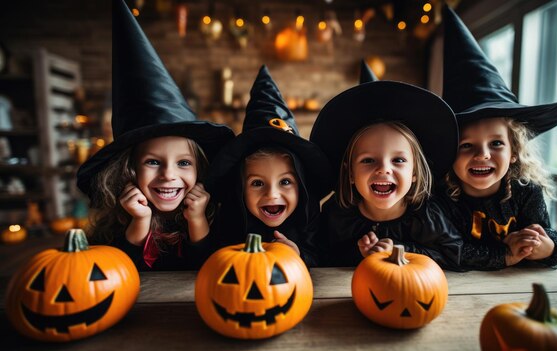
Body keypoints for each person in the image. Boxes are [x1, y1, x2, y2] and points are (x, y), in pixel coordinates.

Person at [75, 0, 234, 271]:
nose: (168, 175)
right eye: (153, 162)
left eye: (184, 163)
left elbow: (212, 271)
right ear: (129, 168)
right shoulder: (115, 222)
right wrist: (139, 222)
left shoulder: (215, 214)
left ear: (200, 169)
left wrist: (197, 220)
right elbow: (114, 274)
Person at [436, 6, 557, 270]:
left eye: (496, 143)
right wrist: (505, 254)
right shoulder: (442, 196)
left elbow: (548, 234)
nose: (482, 154)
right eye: (466, 145)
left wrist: (543, 245)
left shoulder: (526, 192)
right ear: (449, 151)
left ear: (515, 150)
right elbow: (448, 251)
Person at [310, 60, 463, 270]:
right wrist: (359, 253)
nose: (383, 169)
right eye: (368, 160)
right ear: (351, 173)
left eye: (398, 160)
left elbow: (454, 255)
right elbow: (322, 256)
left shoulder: (427, 215)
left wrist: (400, 250)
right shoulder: (337, 213)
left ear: (415, 172)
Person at [206, 65, 332, 267]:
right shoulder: (230, 216)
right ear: (240, 187)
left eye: (285, 181)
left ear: (301, 184)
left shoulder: (309, 214)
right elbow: (214, 257)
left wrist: (299, 256)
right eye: (257, 183)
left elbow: (325, 257)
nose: (272, 194)